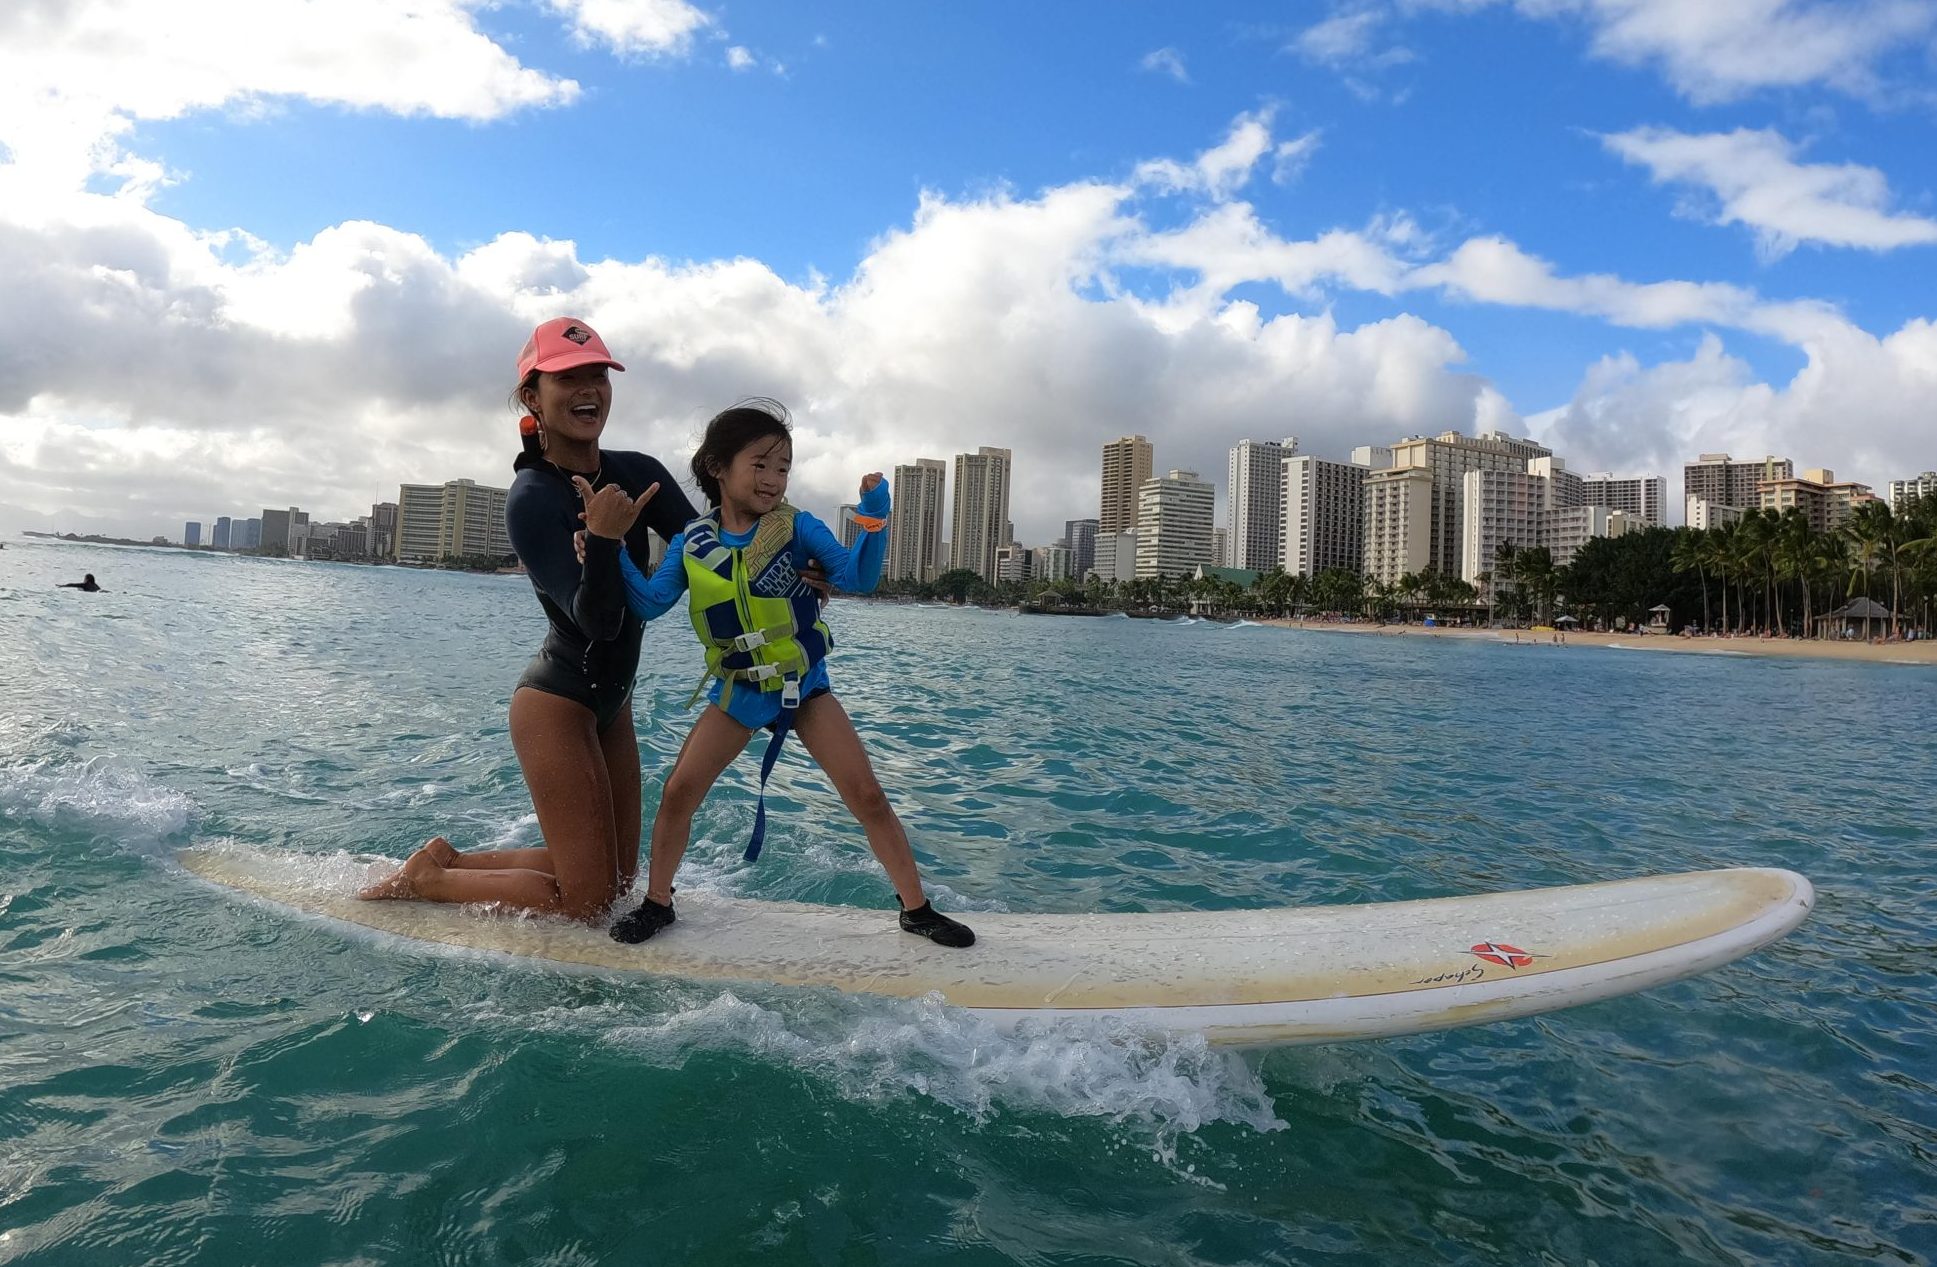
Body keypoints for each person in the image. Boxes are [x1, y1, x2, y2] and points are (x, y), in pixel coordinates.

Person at [359, 318, 710, 919]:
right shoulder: (532, 500)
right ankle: (428, 881)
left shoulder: (636, 471)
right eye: (568, 376)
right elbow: (595, 622)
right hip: (558, 703)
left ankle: (450, 861)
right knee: (590, 903)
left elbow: (710, 549)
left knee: (620, 884)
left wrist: (797, 567)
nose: (589, 389)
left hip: (611, 701)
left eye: (597, 374)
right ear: (532, 397)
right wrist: (601, 541)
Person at [600, 400, 974, 949]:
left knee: (866, 795)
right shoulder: (692, 542)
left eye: (784, 467)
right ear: (716, 467)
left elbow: (858, 577)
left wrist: (873, 515)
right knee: (679, 792)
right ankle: (659, 902)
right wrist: (610, 548)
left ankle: (916, 909)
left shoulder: (798, 527)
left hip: (805, 687)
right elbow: (651, 603)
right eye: (761, 464)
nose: (774, 479)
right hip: (741, 691)